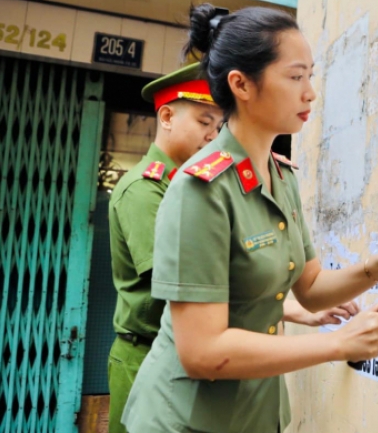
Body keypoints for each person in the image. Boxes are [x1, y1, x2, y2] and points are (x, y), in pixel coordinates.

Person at [122, 5, 378, 433]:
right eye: (295, 77)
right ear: (241, 84)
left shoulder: (280, 176)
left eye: (311, 76)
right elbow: (202, 351)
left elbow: (309, 288)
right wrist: (336, 344)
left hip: (255, 414)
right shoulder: (200, 190)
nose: (310, 92)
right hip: (187, 420)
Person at [108, 63, 357, 433]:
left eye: (216, 125)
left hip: (233, 372)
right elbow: (188, 292)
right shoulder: (153, 191)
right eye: (203, 122)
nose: (212, 134)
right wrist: (301, 317)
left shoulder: (251, 178)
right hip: (155, 354)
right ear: (167, 117)